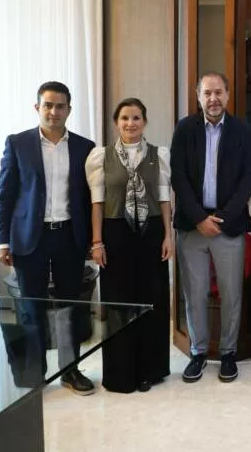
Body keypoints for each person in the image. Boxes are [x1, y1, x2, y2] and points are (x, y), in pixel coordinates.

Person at [0, 81, 96, 395]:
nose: (54, 111)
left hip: (69, 237)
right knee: (31, 308)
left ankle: (70, 371)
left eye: (60, 106)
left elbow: (90, 200)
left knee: (70, 308)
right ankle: (34, 375)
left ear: (69, 110)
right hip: (29, 239)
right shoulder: (18, 144)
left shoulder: (85, 147)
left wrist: (93, 240)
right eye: (48, 105)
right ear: (37, 107)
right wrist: (2, 241)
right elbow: (5, 196)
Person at [170, 72, 251, 383]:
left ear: (228, 95)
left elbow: (248, 178)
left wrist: (222, 218)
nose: (213, 99)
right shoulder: (185, 129)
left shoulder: (242, 130)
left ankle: (229, 352)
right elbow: (178, 175)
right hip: (192, 226)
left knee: (232, 293)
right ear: (198, 96)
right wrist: (199, 218)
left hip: (228, 225)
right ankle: (198, 351)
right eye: (207, 93)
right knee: (195, 293)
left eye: (218, 92)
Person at [85, 97, 173, 393]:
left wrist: (168, 236)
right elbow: (97, 204)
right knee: (118, 302)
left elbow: (164, 199)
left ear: (144, 122)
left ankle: (150, 370)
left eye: (136, 118)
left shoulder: (159, 155)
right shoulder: (101, 157)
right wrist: (97, 242)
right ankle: (120, 373)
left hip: (151, 232)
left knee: (152, 301)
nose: (130, 123)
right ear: (116, 123)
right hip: (115, 232)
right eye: (124, 118)